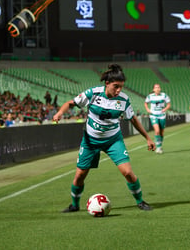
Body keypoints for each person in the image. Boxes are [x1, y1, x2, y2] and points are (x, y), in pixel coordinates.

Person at [53, 64, 155, 213]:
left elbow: (132, 119)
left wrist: (148, 138)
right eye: (116, 86)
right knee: (80, 175)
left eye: (121, 87)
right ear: (107, 83)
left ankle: (140, 201)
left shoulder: (124, 100)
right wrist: (60, 113)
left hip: (113, 140)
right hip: (91, 141)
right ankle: (74, 205)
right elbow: (70, 103)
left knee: (128, 172)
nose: (119, 90)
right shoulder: (93, 93)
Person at [144, 84, 171, 154]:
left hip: (162, 115)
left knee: (161, 132)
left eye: (159, 87)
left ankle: (160, 145)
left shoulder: (164, 95)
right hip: (153, 115)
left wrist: (165, 109)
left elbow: (168, 104)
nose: (157, 89)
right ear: (153, 89)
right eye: (156, 88)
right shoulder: (150, 96)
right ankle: (158, 148)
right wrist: (147, 109)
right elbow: (145, 103)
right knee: (157, 131)